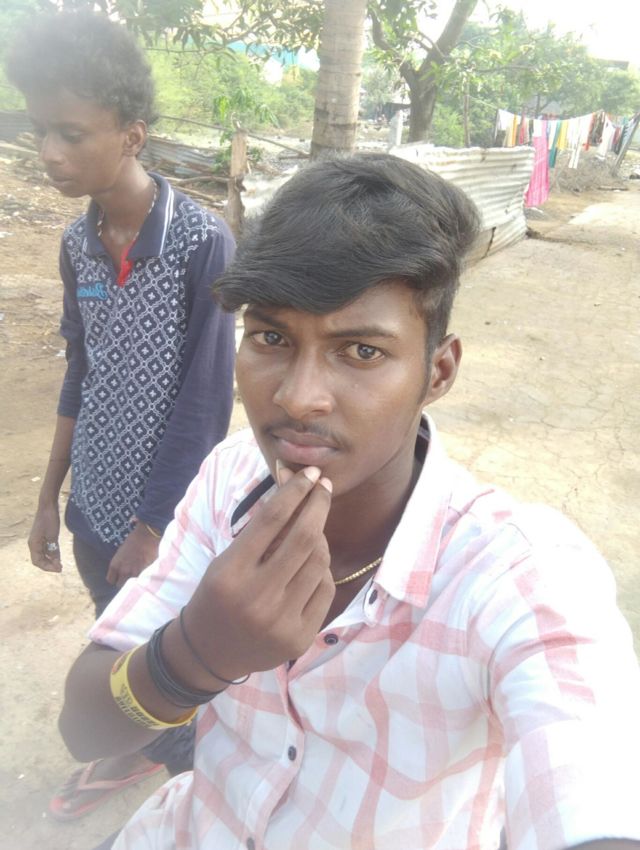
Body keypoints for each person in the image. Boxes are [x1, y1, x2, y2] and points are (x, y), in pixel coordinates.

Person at [59, 154, 640, 850]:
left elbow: (590, 780)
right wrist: (196, 654)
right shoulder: (229, 479)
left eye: (361, 352)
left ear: (438, 372)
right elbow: (84, 729)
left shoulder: (519, 577)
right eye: (271, 338)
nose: (298, 397)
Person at [5, 11, 236, 822]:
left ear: (132, 136)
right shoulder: (78, 245)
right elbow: (82, 372)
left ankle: (195, 781)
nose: (49, 152)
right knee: (113, 632)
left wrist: (152, 528)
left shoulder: (201, 243)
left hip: (163, 520)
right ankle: (144, 745)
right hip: (92, 506)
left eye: (71, 133)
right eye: (41, 131)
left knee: (167, 652)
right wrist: (48, 497)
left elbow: (205, 402)